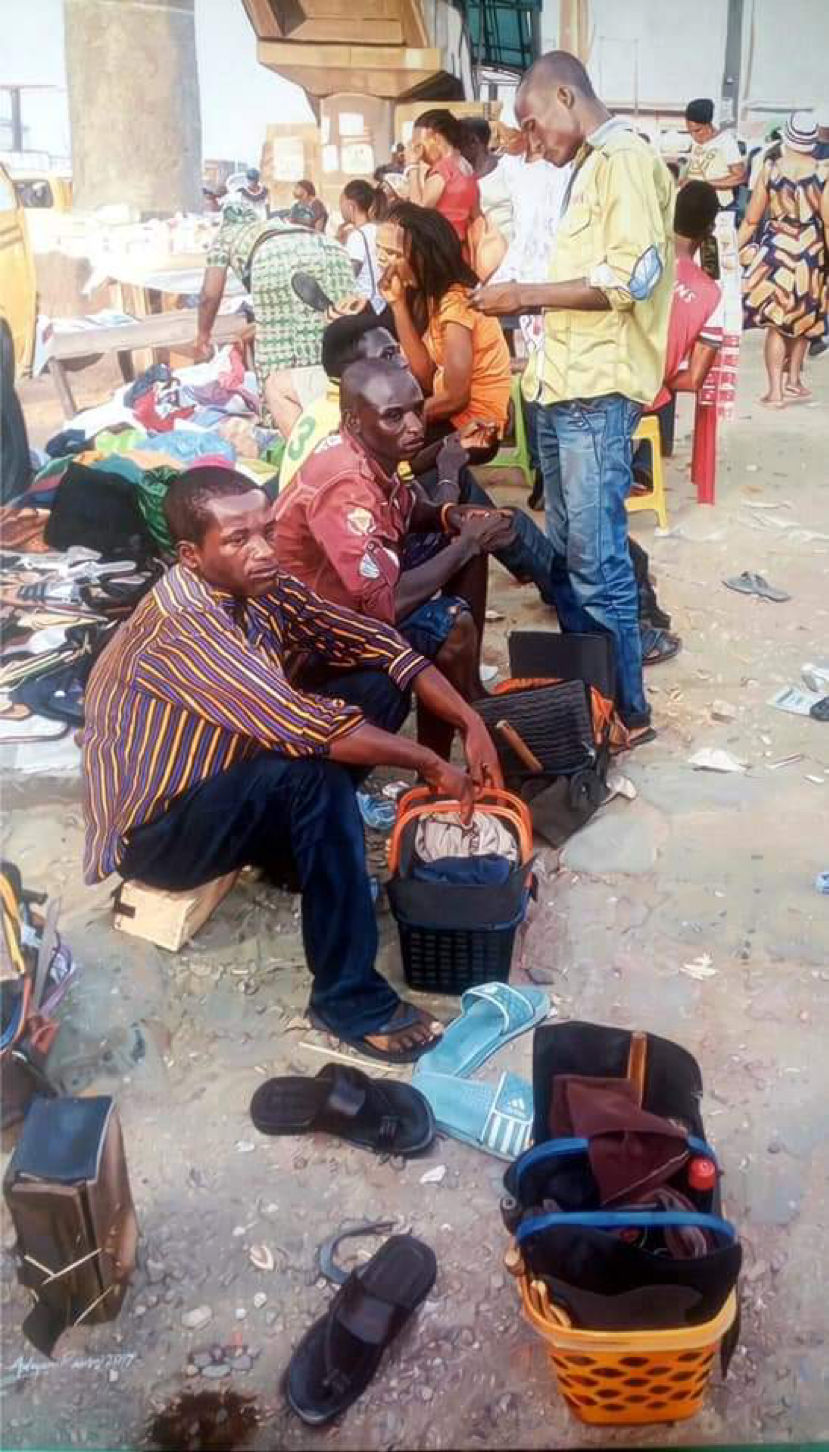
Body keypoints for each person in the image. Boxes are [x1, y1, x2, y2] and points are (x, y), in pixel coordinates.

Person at [82, 466, 501, 1064]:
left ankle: (290, 861)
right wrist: (432, 762)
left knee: (376, 686)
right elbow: (311, 728)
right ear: (190, 555)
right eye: (237, 539)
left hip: (227, 779)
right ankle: (345, 997)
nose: (261, 550)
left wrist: (471, 720)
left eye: (266, 530)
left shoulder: (259, 582)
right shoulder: (184, 625)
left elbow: (373, 640)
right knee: (313, 772)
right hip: (161, 835)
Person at [472, 51, 675, 737]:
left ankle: (626, 712)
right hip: (561, 386)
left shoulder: (623, 161)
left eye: (531, 126)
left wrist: (522, 294)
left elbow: (632, 279)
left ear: (564, 96)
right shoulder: (586, 167)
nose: (531, 144)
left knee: (596, 564)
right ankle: (586, 702)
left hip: (595, 391)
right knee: (569, 559)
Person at [274, 359, 519, 754]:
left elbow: (405, 510)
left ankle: (467, 688)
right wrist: (467, 541)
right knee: (452, 624)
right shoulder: (347, 486)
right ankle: (441, 754)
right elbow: (384, 605)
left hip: (344, 595)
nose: (415, 426)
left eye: (417, 409)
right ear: (355, 421)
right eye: (394, 417)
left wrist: (450, 515)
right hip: (315, 642)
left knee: (466, 536)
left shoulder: (361, 452)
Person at [195, 201, 355, 436]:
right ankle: (345, 412)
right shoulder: (271, 225)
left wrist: (203, 333)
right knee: (335, 333)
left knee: (277, 351)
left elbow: (210, 294)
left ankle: (283, 427)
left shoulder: (225, 237)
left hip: (273, 258)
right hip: (332, 250)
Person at [377, 202, 512, 440]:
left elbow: (455, 398)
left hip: (475, 424)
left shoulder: (456, 302)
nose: (382, 261)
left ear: (423, 258)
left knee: (384, 443)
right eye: (380, 251)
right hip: (451, 415)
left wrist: (396, 419)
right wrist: (397, 305)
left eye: (394, 254)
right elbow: (425, 377)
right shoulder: (431, 297)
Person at [739, 111, 828, 406]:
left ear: (787, 139)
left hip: (777, 247)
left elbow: (752, 219)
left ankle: (776, 391)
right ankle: (794, 380)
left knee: (777, 323)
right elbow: (827, 223)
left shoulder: (771, 169)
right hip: (811, 250)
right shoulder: (824, 172)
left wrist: (733, 248)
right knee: (804, 316)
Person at [279, 311, 403, 491]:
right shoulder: (354, 420)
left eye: (398, 351)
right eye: (389, 355)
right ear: (354, 370)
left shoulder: (321, 405)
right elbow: (398, 482)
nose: (404, 362)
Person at [406, 110, 480, 246]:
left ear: (436, 138)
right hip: (461, 245)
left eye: (419, 145)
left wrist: (412, 166)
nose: (419, 153)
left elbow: (418, 212)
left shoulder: (443, 168)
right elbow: (475, 214)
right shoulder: (466, 167)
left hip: (440, 247)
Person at [684, 99, 745, 213]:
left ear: (709, 124)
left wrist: (705, 185)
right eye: (689, 131)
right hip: (695, 204)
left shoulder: (725, 141)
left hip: (719, 206)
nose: (693, 135)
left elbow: (739, 177)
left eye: (697, 130)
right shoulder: (695, 143)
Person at [340, 179, 387, 312]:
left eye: (341, 202)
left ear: (351, 206)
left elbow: (349, 275)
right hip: (384, 303)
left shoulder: (358, 236)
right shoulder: (378, 228)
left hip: (367, 304)